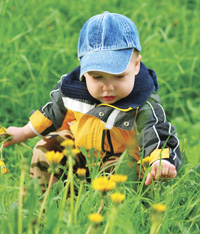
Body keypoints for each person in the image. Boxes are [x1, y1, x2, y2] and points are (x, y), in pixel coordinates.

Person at [4, 12, 182, 189]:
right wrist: (23, 132)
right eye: (97, 77)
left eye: (119, 77)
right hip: (83, 154)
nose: (108, 87)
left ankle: (115, 212)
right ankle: (49, 202)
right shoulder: (72, 89)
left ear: (136, 66)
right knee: (47, 147)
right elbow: (51, 114)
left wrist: (161, 161)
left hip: (121, 163)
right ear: (84, 68)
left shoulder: (142, 103)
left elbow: (157, 135)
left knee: (121, 167)